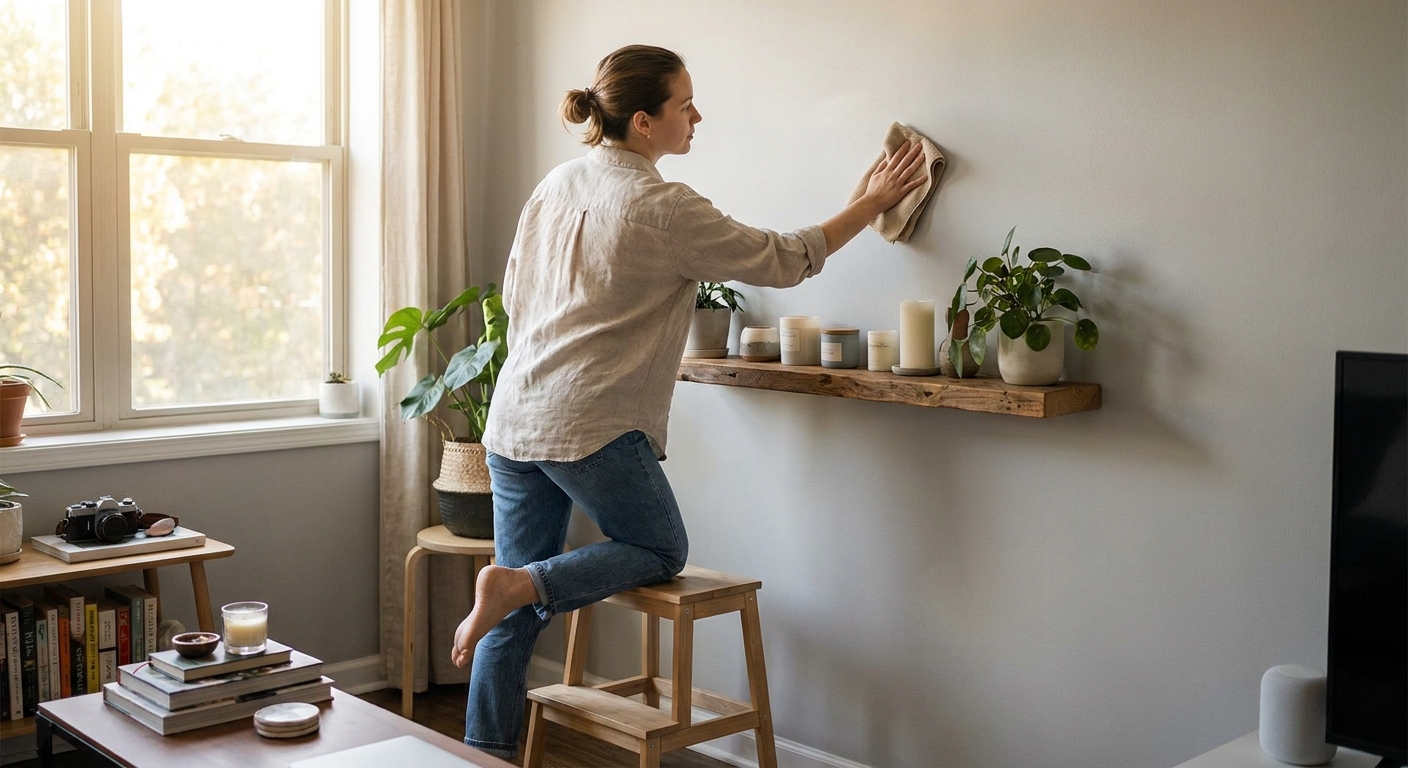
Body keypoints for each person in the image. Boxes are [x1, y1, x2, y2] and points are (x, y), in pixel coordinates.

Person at [453, 44, 926, 759]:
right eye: (685, 104)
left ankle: (477, 752)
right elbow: (780, 258)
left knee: (514, 614)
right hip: (588, 422)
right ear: (643, 121)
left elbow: (518, 297)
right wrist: (869, 204)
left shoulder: (556, 184)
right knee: (658, 546)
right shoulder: (662, 205)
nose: (697, 115)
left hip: (516, 416)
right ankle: (519, 584)